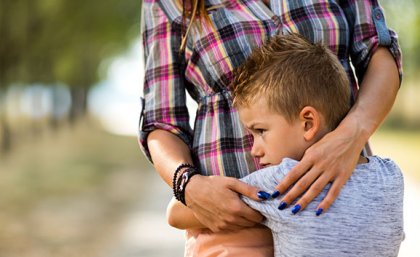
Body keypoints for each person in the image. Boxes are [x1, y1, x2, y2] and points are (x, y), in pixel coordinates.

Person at [139, 0, 402, 254]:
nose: (256, 149)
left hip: (335, 205)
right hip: (233, 236)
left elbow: (379, 52)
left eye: (260, 132)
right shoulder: (388, 174)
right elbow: (161, 120)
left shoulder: (277, 183)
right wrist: (190, 186)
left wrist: (350, 135)